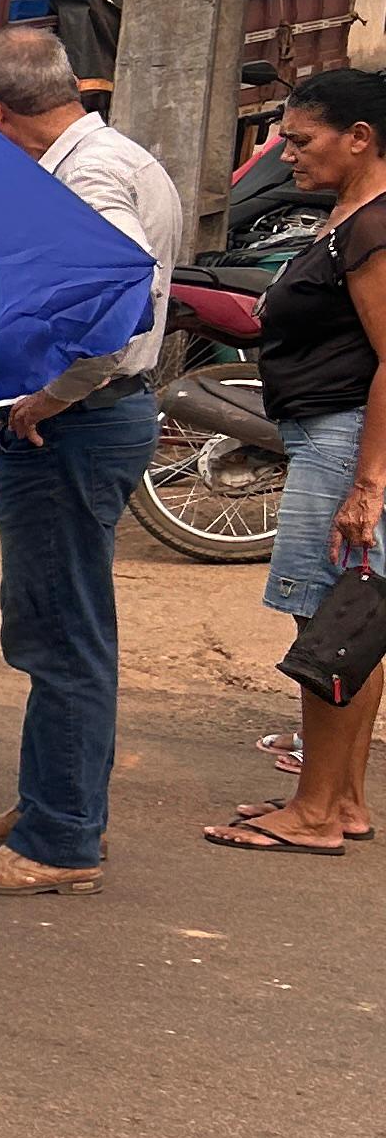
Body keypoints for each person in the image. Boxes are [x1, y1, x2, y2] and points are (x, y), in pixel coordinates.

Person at [0, 25, 173, 897]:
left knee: (61, 634)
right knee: (54, 627)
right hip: (92, 419)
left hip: (75, 425)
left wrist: (51, 395)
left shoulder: (89, 177)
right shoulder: (114, 156)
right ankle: (56, 802)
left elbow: (122, 304)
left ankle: (60, 839)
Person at [206, 64, 386, 855]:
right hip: (333, 433)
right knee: (353, 616)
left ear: (360, 139)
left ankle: (314, 812)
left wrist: (367, 483)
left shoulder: (373, 227)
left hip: (344, 439)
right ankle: (339, 797)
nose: (286, 155)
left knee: (326, 617)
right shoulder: (348, 215)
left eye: (300, 139)